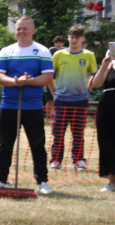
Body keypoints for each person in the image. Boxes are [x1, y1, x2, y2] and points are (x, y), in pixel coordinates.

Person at [0, 16, 53, 195]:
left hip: (33, 107)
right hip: (9, 105)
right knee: (5, 144)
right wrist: (16, 82)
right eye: (18, 28)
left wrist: (27, 81)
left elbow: (47, 77)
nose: (21, 32)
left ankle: (42, 181)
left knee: (38, 144)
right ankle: (1, 180)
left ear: (33, 30)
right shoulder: (6, 51)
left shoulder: (42, 51)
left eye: (25, 28)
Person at [48, 25, 97, 172]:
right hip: (61, 100)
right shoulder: (58, 55)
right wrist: (53, 92)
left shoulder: (89, 55)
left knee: (78, 132)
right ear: (68, 37)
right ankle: (56, 160)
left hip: (80, 101)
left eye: (78, 37)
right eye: (72, 37)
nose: (75, 40)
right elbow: (49, 75)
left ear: (82, 39)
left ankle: (79, 160)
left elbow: (94, 75)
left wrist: (88, 90)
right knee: (58, 132)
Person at [89, 52, 115, 192]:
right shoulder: (109, 65)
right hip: (107, 106)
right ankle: (111, 181)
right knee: (106, 142)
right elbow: (96, 83)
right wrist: (104, 65)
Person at [44, 35, 66, 119]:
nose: (58, 44)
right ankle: (48, 116)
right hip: (50, 78)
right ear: (54, 43)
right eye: (57, 42)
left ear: (63, 43)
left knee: (59, 98)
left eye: (60, 42)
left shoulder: (65, 51)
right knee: (49, 98)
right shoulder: (50, 51)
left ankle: (57, 115)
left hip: (61, 78)